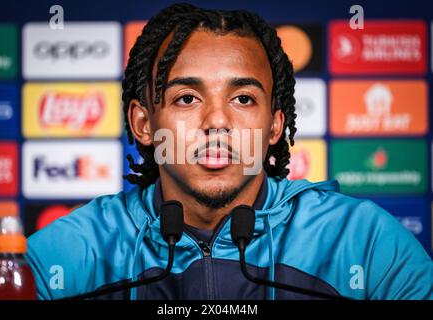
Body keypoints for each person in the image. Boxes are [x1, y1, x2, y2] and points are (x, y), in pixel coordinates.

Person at [26, 3, 433, 300]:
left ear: (275, 125)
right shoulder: (64, 255)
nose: (216, 121)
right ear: (143, 123)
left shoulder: (366, 242)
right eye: (187, 98)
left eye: (242, 98)